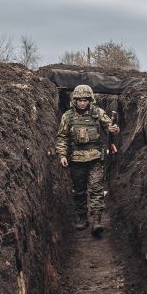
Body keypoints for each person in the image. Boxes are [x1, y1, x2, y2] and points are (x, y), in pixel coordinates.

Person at [55, 84, 120, 237]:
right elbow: (62, 137)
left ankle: (97, 220)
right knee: (79, 191)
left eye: (85, 100)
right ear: (75, 100)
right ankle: (82, 217)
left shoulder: (98, 113)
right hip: (76, 159)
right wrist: (62, 155)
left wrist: (114, 129)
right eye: (79, 100)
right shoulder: (68, 116)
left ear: (89, 100)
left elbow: (111, 127)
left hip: (95, 158)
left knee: (96, 189)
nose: (82, 103)